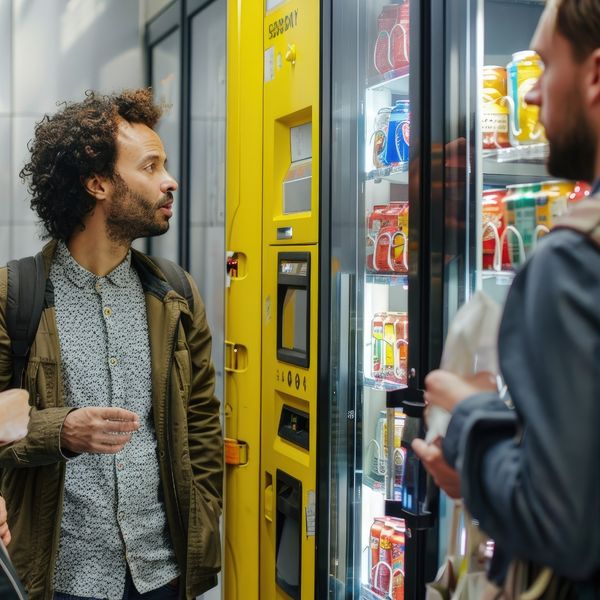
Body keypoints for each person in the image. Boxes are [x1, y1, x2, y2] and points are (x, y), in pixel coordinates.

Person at [0, 89, 223, 600]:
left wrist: (204, 516)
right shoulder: (17, 296)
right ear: (98, 183)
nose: (170, 181)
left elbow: (202, 424)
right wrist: (62, 430)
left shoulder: (176, 294)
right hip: (61, 578)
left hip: (161, 573)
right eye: (150, 166)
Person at [413, 0, 600, 594]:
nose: (530, 95)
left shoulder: (572, 258)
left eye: (544, 65)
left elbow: (562, 522)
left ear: (595, 76)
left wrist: (471, 422)